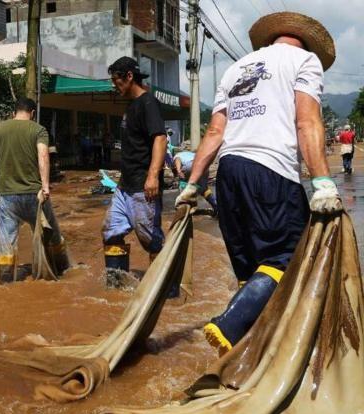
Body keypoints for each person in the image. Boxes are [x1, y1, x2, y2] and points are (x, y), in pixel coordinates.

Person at [176, 12, 343, 355]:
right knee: (287, 257)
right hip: (271, 171)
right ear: (306, 44)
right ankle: (229, 327)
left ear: (271, 40)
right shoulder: (304, 60)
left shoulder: (237, 68)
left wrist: (192, 186)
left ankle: (247, 356)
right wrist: (323, 182)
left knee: (253, 270)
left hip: (229, 173)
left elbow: (215, 132)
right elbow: (307, 122)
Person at [0, 98, 68, 283]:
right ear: (33, 113)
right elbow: (43, 156)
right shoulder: (38, 130)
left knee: (5, 244)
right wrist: (45, 186)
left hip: (7, 198)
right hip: (35, 196)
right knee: (51, 234)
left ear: (13, 113)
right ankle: (62, 271)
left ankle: (5, 283)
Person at [101, 56, 168, 286]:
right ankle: (117, 286)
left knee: (151, 240)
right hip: (125, 187)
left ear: (129, 76)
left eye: (116, 80)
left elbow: (160, 138)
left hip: (143, 186)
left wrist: (152, 177)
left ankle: (164, 291)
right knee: (110, 231)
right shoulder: (131, 106)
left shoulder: (148, 103)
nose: (114, 85)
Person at [174, 148, 218, 215]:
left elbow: (178, 159)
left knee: (183, 184)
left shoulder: (177, 155)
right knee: (204, 189)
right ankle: (216, 205)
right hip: (203, 166)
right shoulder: (192, 154)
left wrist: (178, 170)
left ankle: (184, 209)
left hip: (190, 165)